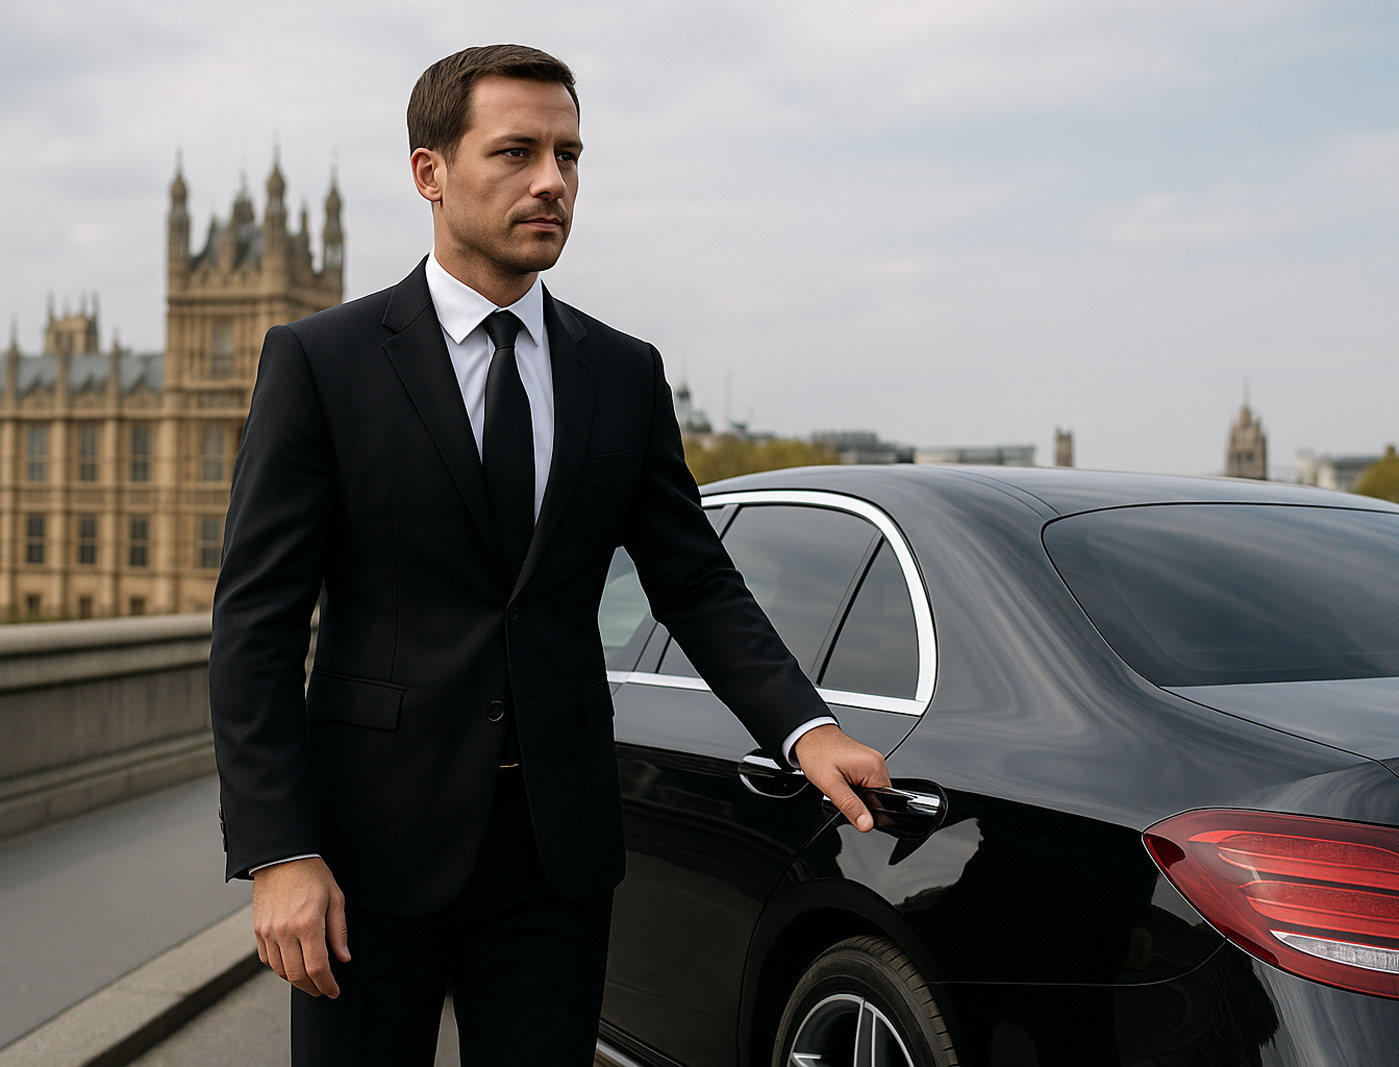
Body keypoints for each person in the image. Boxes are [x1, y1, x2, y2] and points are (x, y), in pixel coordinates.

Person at [208, 43, 889, 1067]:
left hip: (555, 851)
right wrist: (279, 848)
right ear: (430, 172)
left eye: (568, 155)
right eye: (516, 152)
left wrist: (806, 726)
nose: (551, 182)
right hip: (367, 851)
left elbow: (695, 579)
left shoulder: (622, 372)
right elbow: (255, 628)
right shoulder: (322, 361)